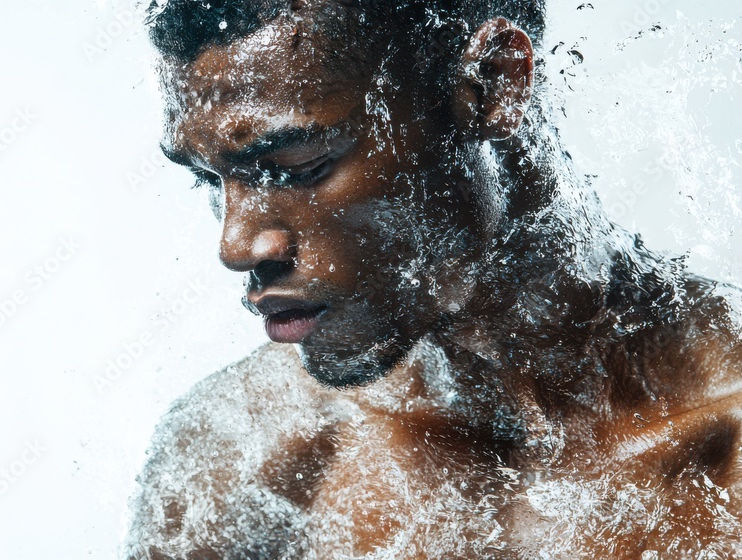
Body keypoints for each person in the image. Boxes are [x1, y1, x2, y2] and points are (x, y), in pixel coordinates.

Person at [125, 0, 742, 557]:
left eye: (298, 165)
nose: (235, 246)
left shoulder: (728, 443)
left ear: (495, 86)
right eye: (210, 179)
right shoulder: (238, 463)